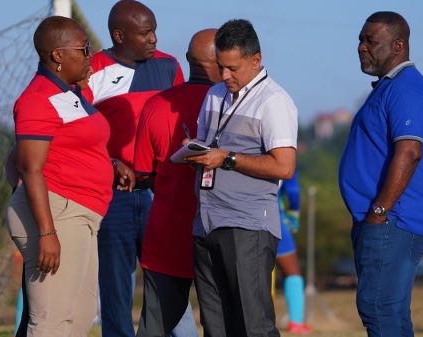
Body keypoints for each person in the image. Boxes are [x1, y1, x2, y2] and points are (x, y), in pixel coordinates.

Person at [186, 19, 298, 337]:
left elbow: (284, 167)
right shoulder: (214, 95)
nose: (224, 76)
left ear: (256, 60)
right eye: (220, 67)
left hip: (247, 225)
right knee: (216, 328)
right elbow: (208, 145)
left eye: (232, 68)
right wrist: (194, 151)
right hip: (207, 222)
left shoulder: (274, 101)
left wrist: (228, 159)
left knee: (253, 327)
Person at [6, 15, 114, 337]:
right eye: (83, 49)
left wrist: (112, 163)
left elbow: (71, 147)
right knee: (52, 321)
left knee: (78, 320)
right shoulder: (38, 99)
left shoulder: (70, 95)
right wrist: (47, 233)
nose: (90, 55)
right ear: (57, 55)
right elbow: (27, 167)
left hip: (81, 215)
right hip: (57, 216)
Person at [84, 1, 184, 336]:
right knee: (116, 290)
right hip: (114, 197)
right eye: (144, 33)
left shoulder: (170, 67)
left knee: (169, 283)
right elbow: (79, 134)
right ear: (119, 35)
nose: (153, 38)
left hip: (161, 193)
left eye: (154, 30)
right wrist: (111, 163)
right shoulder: (91, 69)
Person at [338, 11, 423, 337]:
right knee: (390, 312)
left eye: (371, 41)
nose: (361, 47)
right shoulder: (389, 87)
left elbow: (409, 152)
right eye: (360, 39)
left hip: (393, 220)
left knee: (379, 310)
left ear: (397, 46)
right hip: (386, 221)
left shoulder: (406, 88)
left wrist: (378, 213)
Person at [133, 28, 221, 337]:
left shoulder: (157, 105)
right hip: (219, 230)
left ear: (187, 60)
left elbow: (143, 172)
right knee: (222, 323)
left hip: (168, 229)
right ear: (224, 59)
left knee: (154, 326)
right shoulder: (234, 105)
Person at [276, 171, 313, 335]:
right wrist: (293, 215)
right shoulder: (283, 148)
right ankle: (296, 322)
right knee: (293, 272)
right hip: (274, 217)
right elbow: (293, 191)